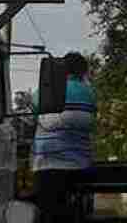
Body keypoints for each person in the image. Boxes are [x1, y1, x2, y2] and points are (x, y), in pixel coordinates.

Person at [30, 51, 96, 223]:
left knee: (48, 212)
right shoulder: (89, 93)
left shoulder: (45, 91)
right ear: (83, 71)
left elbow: (34, 110)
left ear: (61, 70)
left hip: (48, 164)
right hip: (81, 165)